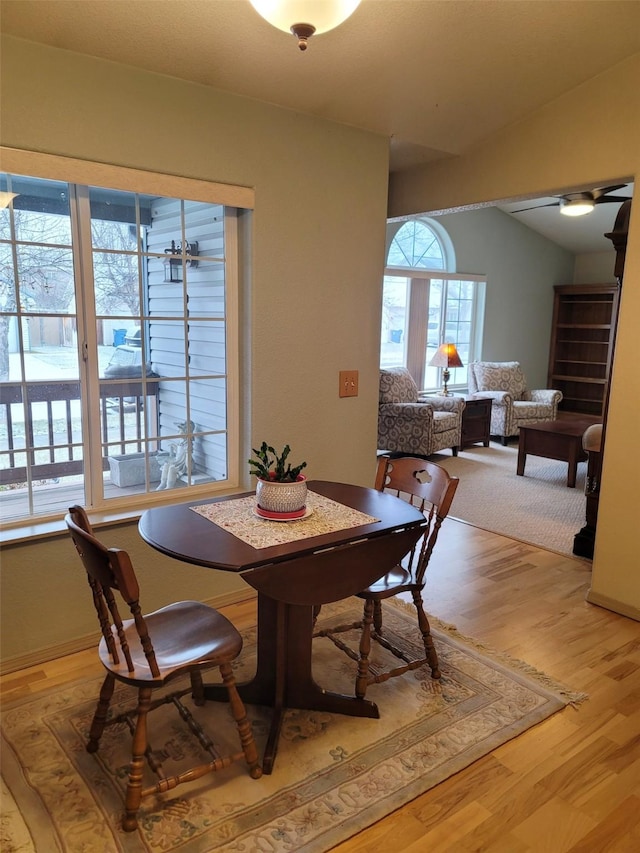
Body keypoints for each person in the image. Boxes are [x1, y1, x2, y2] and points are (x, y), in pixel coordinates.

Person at [156, 420, 195, 490]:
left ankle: (169, 486)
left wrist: (188, 469)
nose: (178, 432)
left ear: (185, 432)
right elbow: (179, 453)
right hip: (178, 461)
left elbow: (187, 457)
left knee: (172, 468)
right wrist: (175, 447)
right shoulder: (182, 441)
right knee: (166, 465)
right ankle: (163, 483)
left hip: (184, 464)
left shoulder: (188, 444)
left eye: (179, 431)